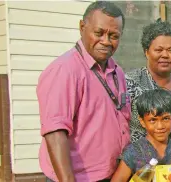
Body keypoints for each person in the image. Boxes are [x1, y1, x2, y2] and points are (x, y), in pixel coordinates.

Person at [36, 2, 129, 182]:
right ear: (82, 27)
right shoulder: (65, 70)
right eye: (99, 33)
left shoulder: (117, 71)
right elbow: (55, 132)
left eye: (114, 36)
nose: (106, 41)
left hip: (111, 174)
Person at [111, 89, 171, 182]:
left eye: (165, 118)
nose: (160, 126)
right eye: (152, 120)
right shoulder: (133, 152)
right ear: (142, 121)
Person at [126, 21, 171, 142]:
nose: (165, 55)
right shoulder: (131, 82)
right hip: (136, 157)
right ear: (146, 52)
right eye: (158, 50)